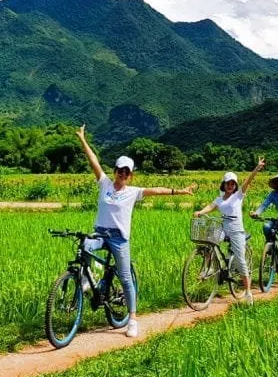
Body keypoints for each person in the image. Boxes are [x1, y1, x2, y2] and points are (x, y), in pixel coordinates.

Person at [77, 125, 197, 338]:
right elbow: (93, 161)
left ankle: (132, 319)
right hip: (100, 232)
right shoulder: (104, 183)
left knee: (125, 278)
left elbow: (157, 191)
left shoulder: (133, 192)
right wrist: (83, 139)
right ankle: (88, 280)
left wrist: (180, 190)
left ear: (130, 175)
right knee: (85, 244)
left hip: (119, 239)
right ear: (114, 171)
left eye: (127, 172)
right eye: (120, 170)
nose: (122, 174)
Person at [194, 156, 266, 304]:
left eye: (233, 183)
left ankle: (247, 292)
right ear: (224, 184)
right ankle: (208, 269)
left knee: (240, 260)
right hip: (223, 227)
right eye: (228, 183)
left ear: (235, 186)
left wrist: (257, 168)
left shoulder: (238, 196)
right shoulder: (219, 199)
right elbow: (211, 207)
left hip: (236, 229)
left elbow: (248, 181)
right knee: (209, 242)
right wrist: (200, 212)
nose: (230, 186)